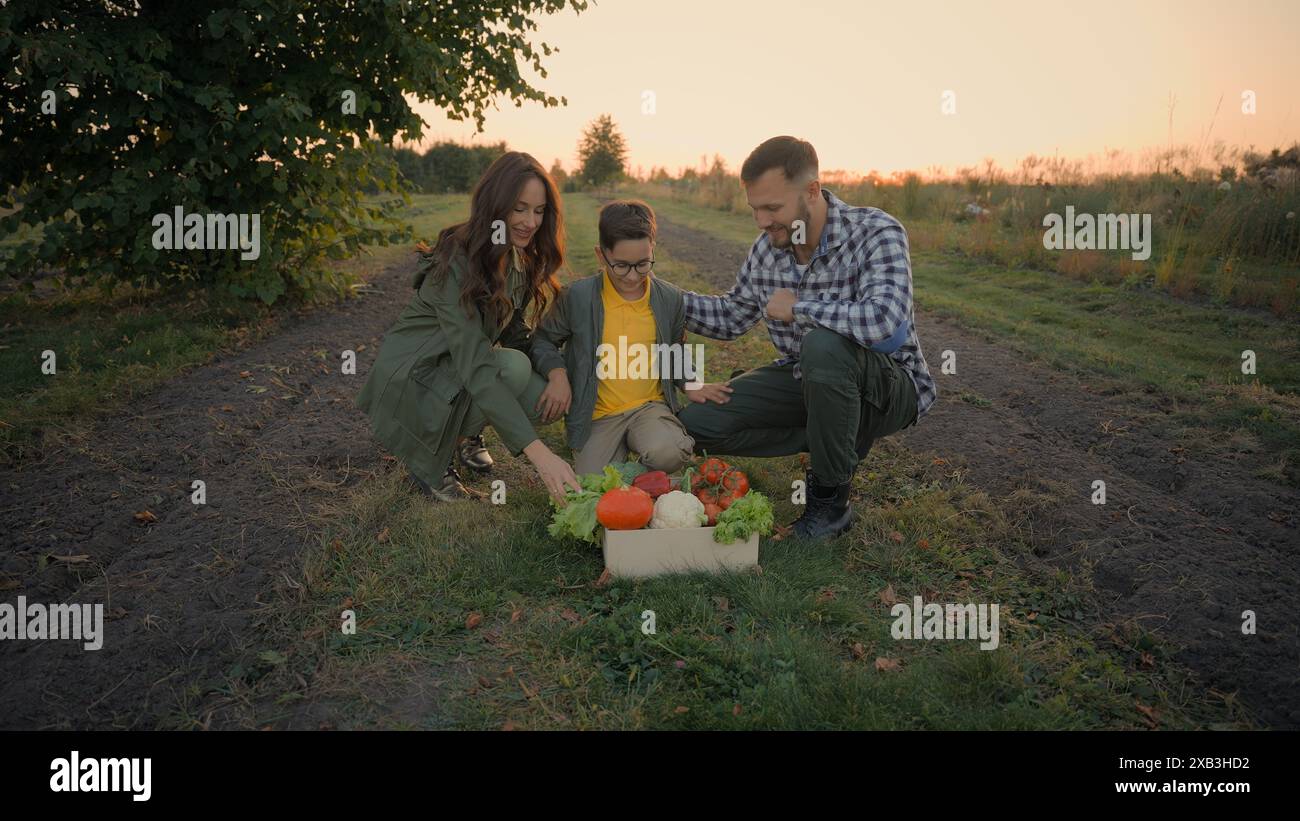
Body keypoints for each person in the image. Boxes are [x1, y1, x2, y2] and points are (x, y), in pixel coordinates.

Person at [677, 136, 937, 538]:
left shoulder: (876, 232)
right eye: (755, 209)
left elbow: (886, 321)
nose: (762, 222)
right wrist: (660, 295)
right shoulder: (767, 251)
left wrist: (800, 308)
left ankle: (830, 506)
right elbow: (730, 318)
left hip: (888, 388)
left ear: (812, 191)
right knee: (695, 425)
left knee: (822, 343)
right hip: (808, 380)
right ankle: (832, 433)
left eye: (772, 208)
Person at [355, 151, 582, 503]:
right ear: (495, 205)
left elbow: (517, 335)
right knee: (509, 367)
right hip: (415, 378)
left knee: (534, 390)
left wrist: (557, 373)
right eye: (519, 208)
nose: (530, 222)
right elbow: (475, 362)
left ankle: (465, 433)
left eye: (538, 211)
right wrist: (540, 455)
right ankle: (436, 455)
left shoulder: (516, 257)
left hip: (453, 368)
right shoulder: (456, 261)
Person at [530, 200, 731, 476]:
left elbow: (674, 348)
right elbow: (542, 340)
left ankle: (649, 460)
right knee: (594, 485)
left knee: (670, 453)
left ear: (652, 250)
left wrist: (690, 382)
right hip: (598, 416)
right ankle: (632, 472)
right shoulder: (576, 297)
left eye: (643, 264)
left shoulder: (668, 298)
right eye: (622, 266)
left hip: (649, 407)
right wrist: (557, 374)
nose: (633, 276)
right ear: (601, 255)